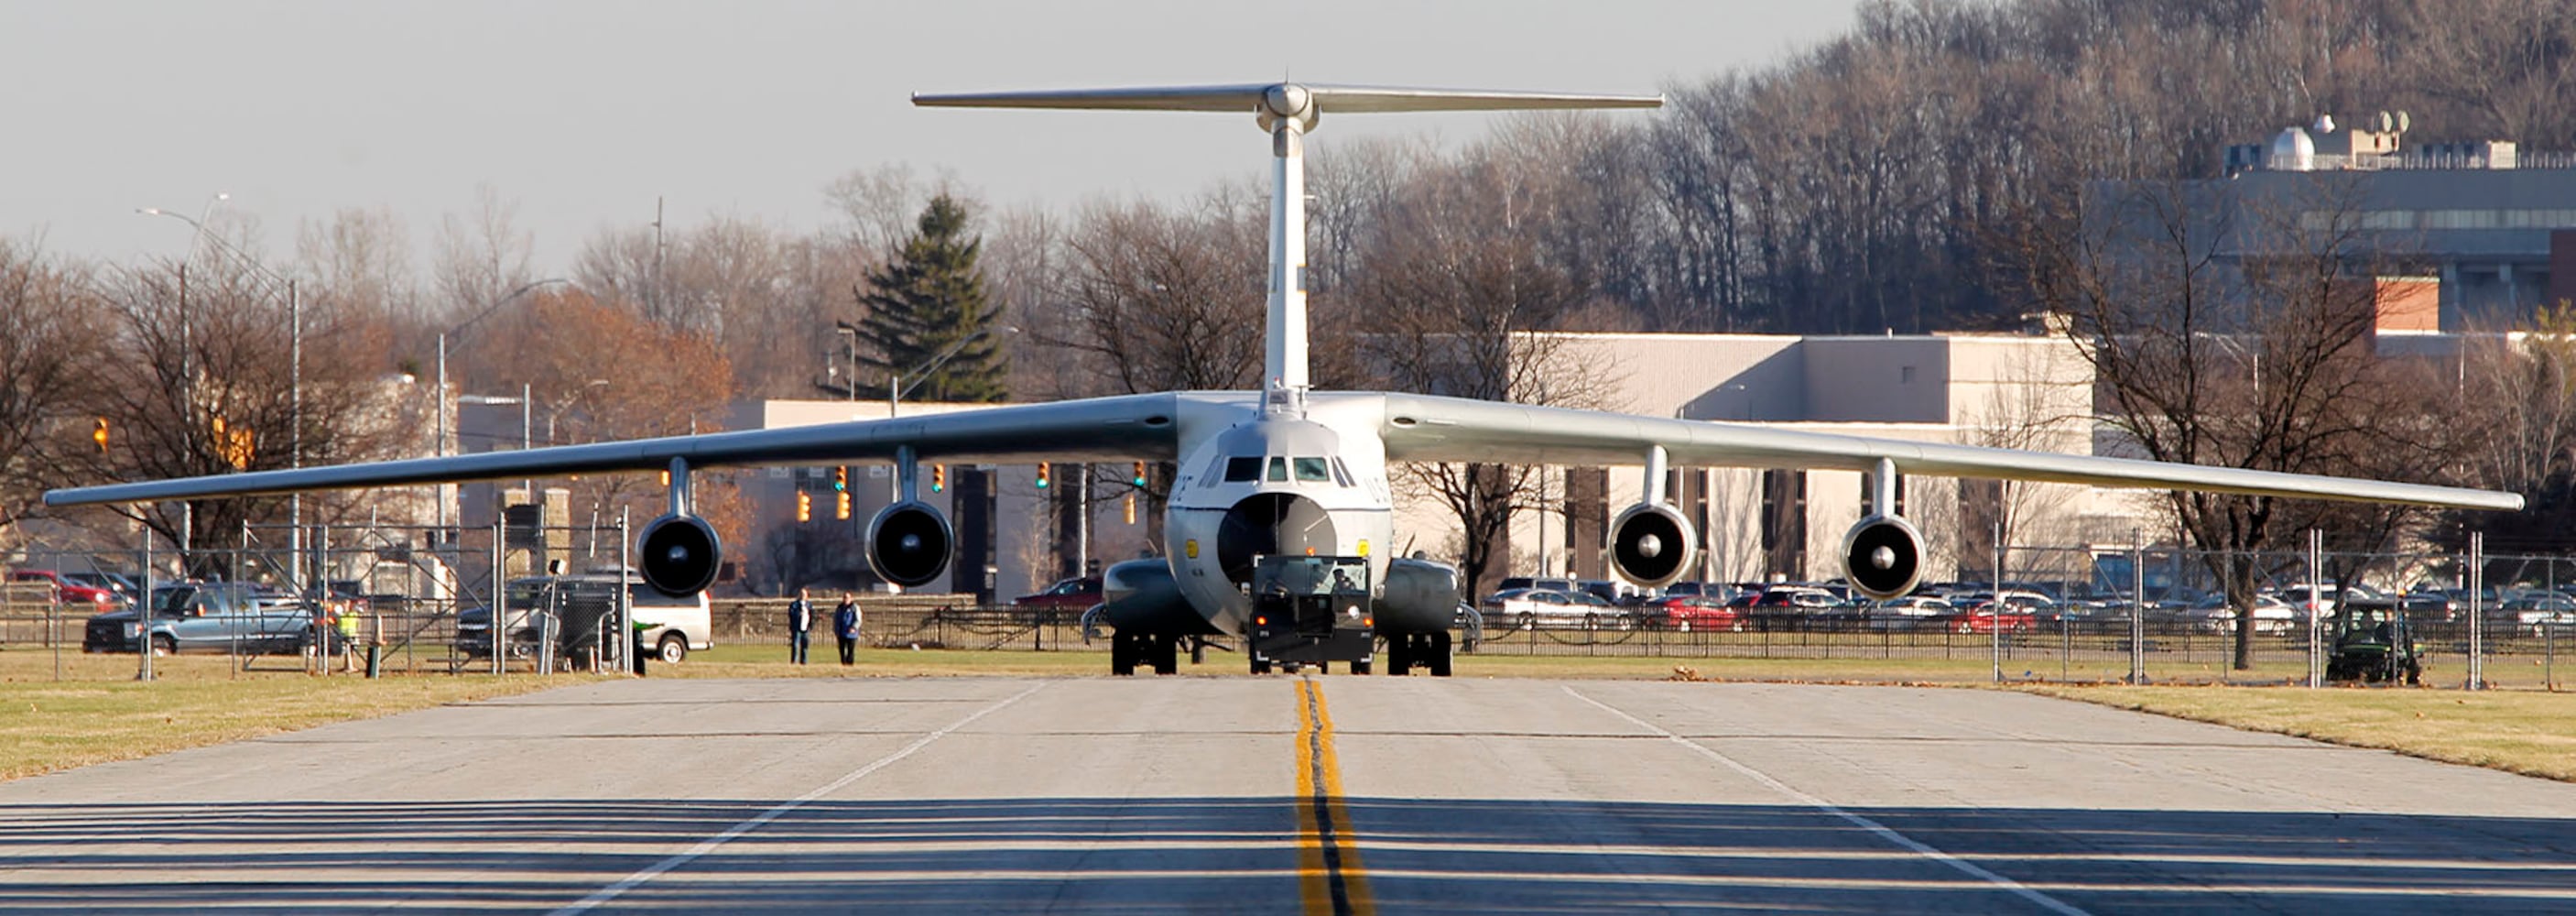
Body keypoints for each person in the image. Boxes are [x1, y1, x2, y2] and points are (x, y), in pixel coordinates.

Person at [786, 588, 813, 664]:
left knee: (805, 646)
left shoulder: (809, 605)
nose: (802, 596)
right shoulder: (794, 604)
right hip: (796, 628)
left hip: (805, 628)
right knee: (795, 645)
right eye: (801, 594)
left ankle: (804, 661)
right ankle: (794, 661)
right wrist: (798, 614)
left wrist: (810, 626)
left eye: (804, 594)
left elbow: (812, 616)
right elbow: (791, 614)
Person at [833, 593, 861, 667]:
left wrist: (854, 627)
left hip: (851, 633)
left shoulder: (855, 607)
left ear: (851, 598)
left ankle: (850, 664)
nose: (846, 599)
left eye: (848, 598)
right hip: (841, 632)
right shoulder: (840, 607)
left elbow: (858, 620)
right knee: (842, 650)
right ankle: (843, 663)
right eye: (845, 597)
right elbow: (836, 619)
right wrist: (836, 630)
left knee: (850, 650)